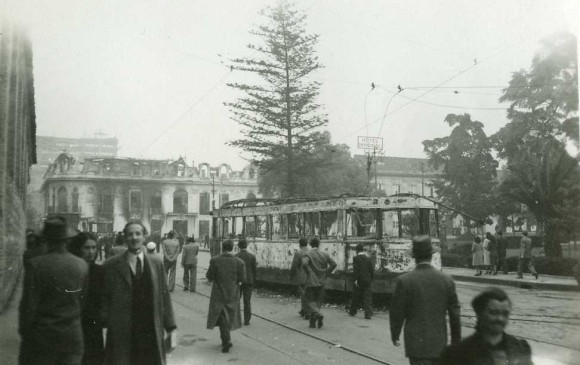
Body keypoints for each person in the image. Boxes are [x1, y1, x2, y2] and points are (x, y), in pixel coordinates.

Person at [101, 220, 176, 365]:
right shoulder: (110, 265)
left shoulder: (156, 263)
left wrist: (171, 328)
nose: (134, 237)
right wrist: (109, 324)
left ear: (144, 236)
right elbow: (104, 299)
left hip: (150, 331)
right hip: (122, 333)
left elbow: (164, 297)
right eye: (130, 234)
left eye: (138, 234)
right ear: (125, 237)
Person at [19, 216, 88, 365]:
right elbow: (82, 301)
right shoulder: (81, 265)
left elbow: (28, 307)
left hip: (43, 338)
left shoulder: (35, 265)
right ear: (66, 239)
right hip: (72, 337)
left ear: (46, 239)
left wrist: (25, 334)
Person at [390, 235, 461, 365]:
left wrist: (395, 334)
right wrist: (456, 343)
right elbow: (455, 315)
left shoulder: (404, 281)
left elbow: (397, 312)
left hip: (416, 346)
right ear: (431, 255)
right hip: (439, 344)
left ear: (414, 257)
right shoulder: (446, 280)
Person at [440, 287, 533, 365]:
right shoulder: (457, 354)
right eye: (493, 313)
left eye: (505, 314)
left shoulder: (520, 349)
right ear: (479, 314)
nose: (500, 318)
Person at [68, 232, 105, 365]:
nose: (91, 252)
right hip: (74, 324)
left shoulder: (100, 271)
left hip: (94, 326)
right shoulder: (71, 270)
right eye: (86, 248)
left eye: (94, 247)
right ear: (78, 249)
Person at [206, 240, 246, 353]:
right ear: (232, 248)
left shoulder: (214, 260)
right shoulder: (239, 262)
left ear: (222, 247)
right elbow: (242, 279)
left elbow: (209, 276)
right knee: (229, 314)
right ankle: (226, 339)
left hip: (218, 292)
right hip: (233, 292)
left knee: (222, 315)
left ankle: (226, 340)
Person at [303, 237, 337, 329]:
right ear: (319, 244)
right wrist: (326, 272)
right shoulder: (324, 254)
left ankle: (318, 314)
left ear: (310, 244)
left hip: (311, 281)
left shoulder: (308, 254)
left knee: (307, 299)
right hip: (322, 281)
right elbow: (334, 264)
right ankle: (313, 323)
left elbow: (304, 263)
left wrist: (309, 272)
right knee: (318, 301)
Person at [235, 239, 257, 325]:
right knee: (247, 301)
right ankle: (247, 320)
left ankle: (236, 318)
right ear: (246, 246)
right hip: (249, 281)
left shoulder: (236, 256)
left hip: (238, 281)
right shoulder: (252, 256)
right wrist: (253, 281)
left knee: (237, 299)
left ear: (239, 246)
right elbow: (254, 270)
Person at [349, 243, 374, 319]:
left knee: (355, 296)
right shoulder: (368, 259)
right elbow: (371, 271)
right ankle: (368, 314)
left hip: (359, 280)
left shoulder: (356, 258)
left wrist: (355, 279)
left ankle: (353, 311)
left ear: (357, 250)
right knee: (367, 298)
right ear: (363, 250)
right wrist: (371, 279)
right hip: (367, 280)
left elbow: (356, 270)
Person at [289, 238, 309, 319]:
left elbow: (294, 266)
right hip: (311, 277)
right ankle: (303, 310)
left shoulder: (298, 253)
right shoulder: (311, 252)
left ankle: (307, 313)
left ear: (299, 244)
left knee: (303, 295)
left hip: (302, 277)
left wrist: (291, 275)